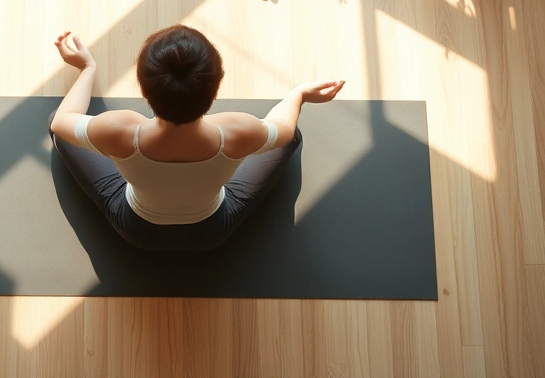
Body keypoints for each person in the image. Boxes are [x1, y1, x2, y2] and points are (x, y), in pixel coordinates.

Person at [49, 25, 344, 251]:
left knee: (57, 128)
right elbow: (284, 128)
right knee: (289, 138)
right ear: (215, 88)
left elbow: (62, 122)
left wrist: (87, 68)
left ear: (144, 89)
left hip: (138, 232)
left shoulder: (120, 130)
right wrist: (299, 95)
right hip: (210, 233)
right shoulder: (237, 131)